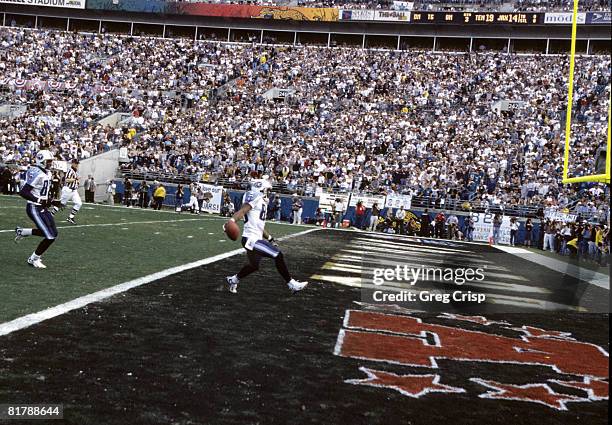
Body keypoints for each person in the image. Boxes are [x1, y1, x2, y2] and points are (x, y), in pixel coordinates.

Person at [224, 177, 307, 294]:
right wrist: (232, 221)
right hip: (250, 239)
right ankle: (291, 284)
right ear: (260, 189)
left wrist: (269, 238)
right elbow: (242, 211)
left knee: (253, 266)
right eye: (266, 190)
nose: (268, 193)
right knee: (278, 255)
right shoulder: (255, 196)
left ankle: (234, 279)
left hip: (255, 238)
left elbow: (259, 226)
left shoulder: (261, 202)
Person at [14, 150, 62, 269]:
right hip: (34, 207)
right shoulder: (36, 172)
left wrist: (52, 201)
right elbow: (24, 192)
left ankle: (23, 232)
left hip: (42, 207)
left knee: (53, 233)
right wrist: (40, 201)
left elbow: (43, 192)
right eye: (48, 161)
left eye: (51, 161)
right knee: (49, 236)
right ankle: (33, 259)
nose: (50, 164)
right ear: (41, 160)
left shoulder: (47, 173)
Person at [51, 159, 82, 225]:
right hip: (68, 190)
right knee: (60, 204)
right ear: (72, 163)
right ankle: (51, 215)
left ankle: (70, 217)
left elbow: (74, 181)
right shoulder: (70, 171)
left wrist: (77, 182)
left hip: (74, 191)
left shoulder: (75, 172)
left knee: (79, 203)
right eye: (75, 163)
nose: (77, 165)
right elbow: (67, 180)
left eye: (77, 163)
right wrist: (76, 179)